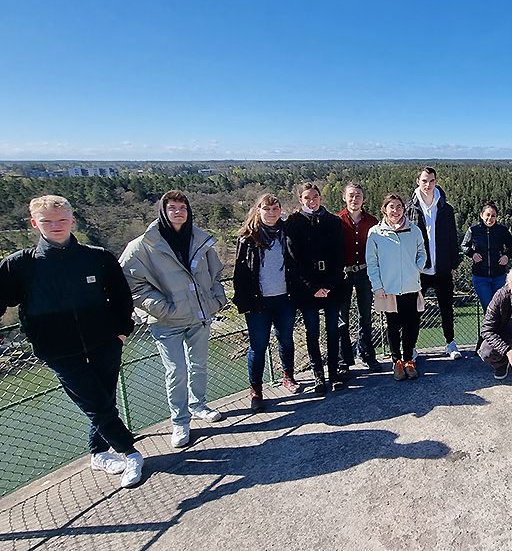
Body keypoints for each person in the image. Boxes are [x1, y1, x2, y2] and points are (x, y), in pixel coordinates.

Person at [0, 195, 144, 487]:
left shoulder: (96, 257)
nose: (56, 226)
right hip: (57, 348)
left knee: (104, 396)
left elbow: (120, 297)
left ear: (72, 221)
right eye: (47, 221)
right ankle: (130, 452)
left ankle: (99, 452)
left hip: (104, 340)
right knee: (94, 402)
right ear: (34, 223)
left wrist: (121, 331)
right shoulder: (20, 265)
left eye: (62, 220)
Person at [120, 190, 227, 450]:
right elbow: (130, 284)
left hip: (200, 315)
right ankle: (180, 421)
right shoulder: (143, 245)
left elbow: (216, 273)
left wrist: (216, 300)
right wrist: (163, 308)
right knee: (176, 371)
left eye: (183, 207)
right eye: (172, 208)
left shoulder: (199, 239)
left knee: (198, 365)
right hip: (166, 321)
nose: (178, 212)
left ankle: (198, 405)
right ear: (163, 211)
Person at [232, 193, 298, 412]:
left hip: (284, 298)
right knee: (258, 347)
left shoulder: (287, 233)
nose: (271, 213)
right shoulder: (247, 238)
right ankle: (256, 390)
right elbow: (240, 273)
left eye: (275, 209)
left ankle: (288, 376)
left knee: (286, 340)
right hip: (258, 302)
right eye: (266, 209)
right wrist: (244, 301)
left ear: (280, 211)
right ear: (258, 210)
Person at [284, 182, 346, 395]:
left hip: (331, 286)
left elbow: (340, 256)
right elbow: (293, 260)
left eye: (315, 197)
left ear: (321, 197)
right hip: (307, 289)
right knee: (312, 333)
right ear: (300, 200)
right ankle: (318, 376)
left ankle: (334, 374)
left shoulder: (333, 221)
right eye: (307, 198)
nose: (312, 201)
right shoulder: (293, 223)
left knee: (332, 331)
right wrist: (312, 287)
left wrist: (328, 285)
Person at [366, 194, 427, 381]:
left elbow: (422, 253)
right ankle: (397, 362)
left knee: (412, 325)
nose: (396, 210)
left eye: (399, 206)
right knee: (393, 327)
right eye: (391, 206)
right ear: (384, 209)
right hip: (388, 289)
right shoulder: (375, 233)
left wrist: (417, 267)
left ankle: (409, 359)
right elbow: (372, 262)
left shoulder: (414, 230)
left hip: (410, 286)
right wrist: (377, 286)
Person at [406, 166, 463, 360]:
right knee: (415, 310)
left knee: (447, 307)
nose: (428, 185)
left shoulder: (446, 208)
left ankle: (450, 343)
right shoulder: (409, 208)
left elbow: (452, 237)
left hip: (442, 267)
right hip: (419, 269)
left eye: (431, 181)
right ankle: (411, 347)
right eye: (424, 181)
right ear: (417, 181)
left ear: (435, 181)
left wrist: (454, 263)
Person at [337, 183, 380, 371]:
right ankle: (344, 361)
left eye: (358, 196)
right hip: (343, 274)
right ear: (344, 198)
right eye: (351, 195)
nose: (355, 199)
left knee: (366, 317)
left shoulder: (372, 221)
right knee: (342, 319)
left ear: (364, 199)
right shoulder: (336, 220)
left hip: (365, 272)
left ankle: (367, 354)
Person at [461, 201, 512, 312]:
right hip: (480, 277)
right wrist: (472, 254)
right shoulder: (473, 230)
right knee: (489, 309)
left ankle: (500, 330)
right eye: (487, 215)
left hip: (499, 276)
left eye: (493, 216)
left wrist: (506, 256)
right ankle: (490, 329)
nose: (490, 218)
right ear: (481, 215)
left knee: (501, 308)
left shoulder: (502, 231)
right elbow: (464, 246)